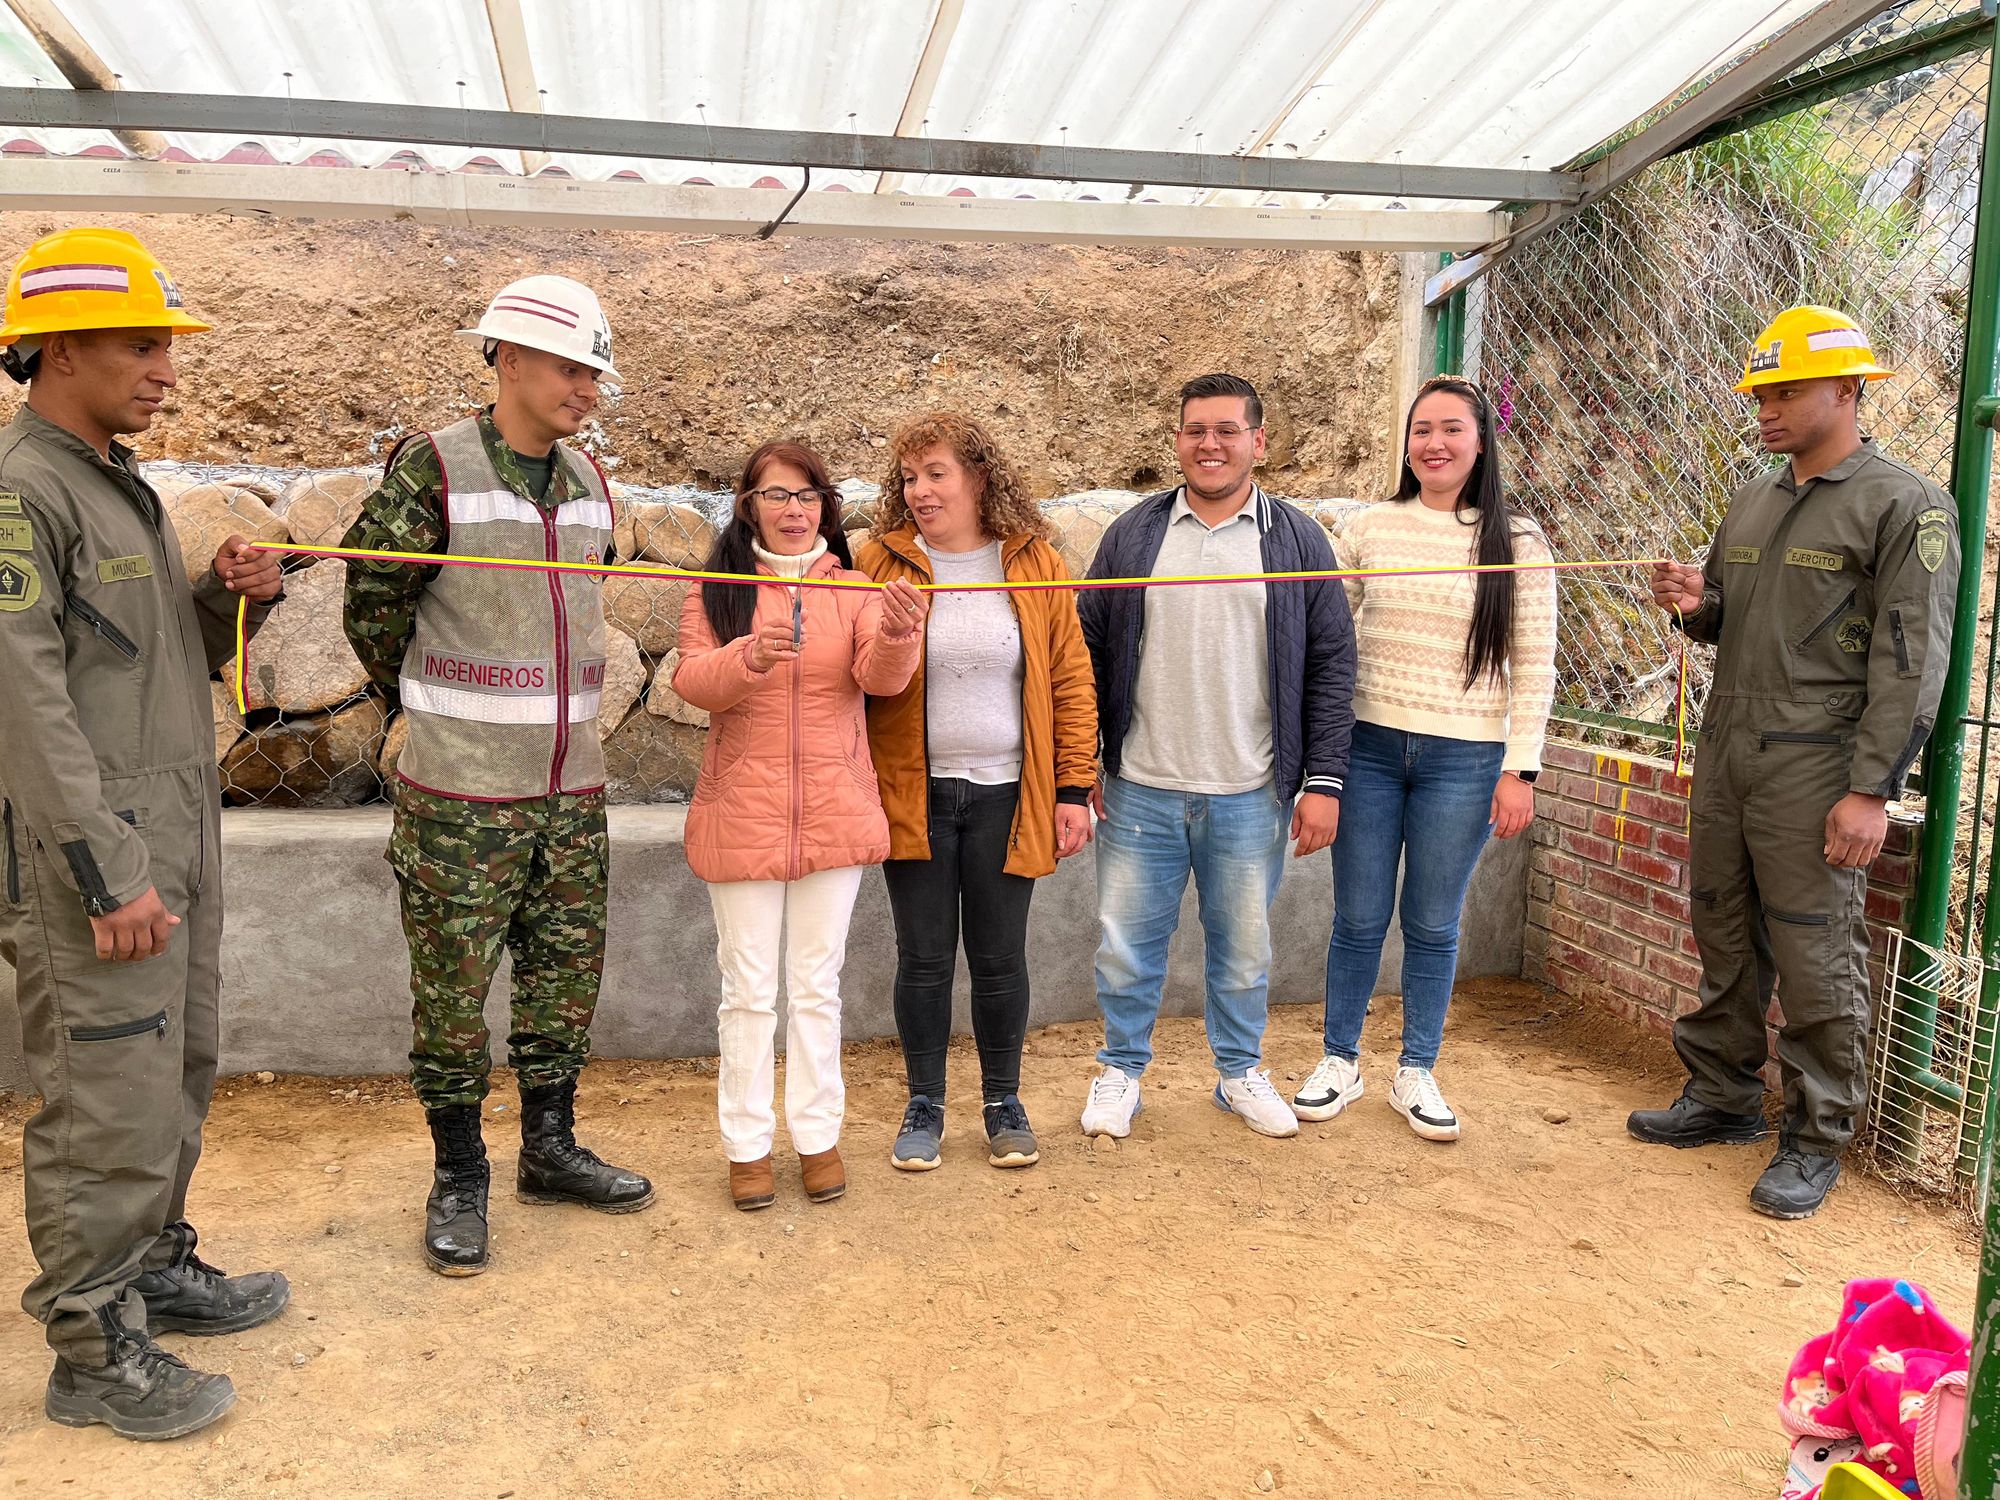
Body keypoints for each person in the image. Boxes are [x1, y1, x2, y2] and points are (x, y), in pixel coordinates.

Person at [0, 227, 289, 1440]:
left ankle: (150, 1267)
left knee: (175, 1070)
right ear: (61, 348)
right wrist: (106, 871)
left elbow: (132, 646)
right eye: (141, 342)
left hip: (170, 834)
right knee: (103, 1097)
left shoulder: (107, 475)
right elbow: (25, 697)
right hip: (98, 861)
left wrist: (219, 594)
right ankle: (92, 1345)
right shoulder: (24, 491)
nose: (167, 366)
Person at [340, 275, 653, 1279]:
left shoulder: (589, 484)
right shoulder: (431, 469)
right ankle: (460, 1175)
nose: (586, 392)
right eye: (571, 369)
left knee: (562, 988)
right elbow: (374, 608)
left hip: (570, 793)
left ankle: (548, 1150)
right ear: (508, 359)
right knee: (452, 997)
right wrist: (431, 714)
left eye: (594, 375)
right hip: (461, 797)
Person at [1627, 306, 1959, 1220]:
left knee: (1817, 953)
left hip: (1819, 761)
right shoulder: (1755, 498)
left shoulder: (1903, 503)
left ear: (1849, 389)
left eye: (1787, 391)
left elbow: (1911, 659)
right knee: (1723, 928)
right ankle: (1722, 1097)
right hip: (1732, 744)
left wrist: (1870, 789)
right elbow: (1731, 618)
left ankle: (1815, 1138)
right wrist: (1696, 604)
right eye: (1761, 394)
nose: (1767, 409)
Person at [1077, 372, 1356, 1141]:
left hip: (1251, 790)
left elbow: (1332, 662)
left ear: (1259, 443)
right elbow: (1086, 650)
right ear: (1177, 440)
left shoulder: (1297, 540)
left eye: (1228, 430)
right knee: (1127, 948)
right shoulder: (1134, 536)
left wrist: (1323, 779)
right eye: (1196, 429)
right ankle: (1121, 1073)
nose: (1210, 443)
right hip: (1141, 787)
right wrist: (1081, 769)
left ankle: (1238, 1074)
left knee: (1242, 952)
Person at [1291, 376, 1556, 1142]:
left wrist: (1521, 768)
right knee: (1359, 916)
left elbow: (1534, 665)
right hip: (1367, 749)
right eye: (1420, 430)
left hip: (1466, 760)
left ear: (1481, 442)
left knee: (1434, 923)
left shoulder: (1520, 543)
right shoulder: (1372, 528)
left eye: (1451, 429)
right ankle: (1339, 1060)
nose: (1433, 443)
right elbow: (1328, 637)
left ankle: (1417, 1069)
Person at [673, 441, 925, 1210]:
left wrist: (900, 634)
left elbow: (879, 682)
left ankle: (818, 1137)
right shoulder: (715, 591)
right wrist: (747, 657)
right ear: (748, 504)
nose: (793, 510)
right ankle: (746, 1146)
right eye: (776, 495)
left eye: (807, 496)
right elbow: (691, 683)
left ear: (826, 507)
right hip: (741, 815)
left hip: (833, 813)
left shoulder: (854, 590)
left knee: (817, 987)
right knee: (747, 990)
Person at [856, 412, 1097, 1172]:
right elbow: (854, 675)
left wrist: (1074, 787)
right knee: (922, 958)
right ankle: (923, 1101)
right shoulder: (880, 562)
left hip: (1007, 795)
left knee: (1000, 958)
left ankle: (1002, 1100)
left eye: (936, 474)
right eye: (908, 478)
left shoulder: (1034, 564)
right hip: (914, 793)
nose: (919, 492)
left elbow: (1069, 678)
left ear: (979, 477)